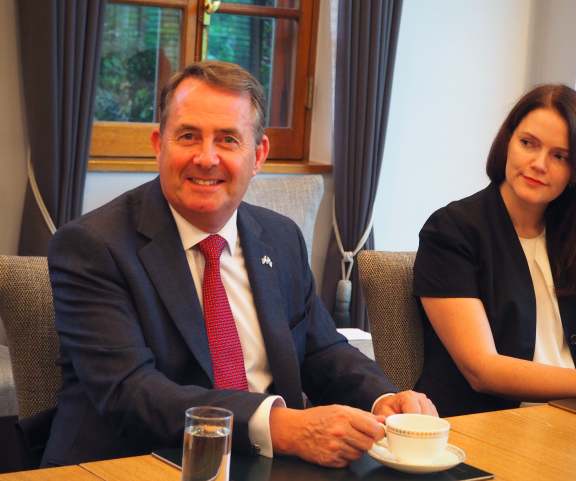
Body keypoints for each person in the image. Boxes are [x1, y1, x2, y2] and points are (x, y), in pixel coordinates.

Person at [42, 60, 436, 468]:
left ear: (258, 154)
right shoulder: (93, 245)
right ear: (160, 144)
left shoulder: (280, 237)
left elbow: (322, 350)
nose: (206, 158)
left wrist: (384, 398)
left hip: (267, 463)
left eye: (228, 139)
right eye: (189, 136)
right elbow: (130, 392)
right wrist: (283, 426)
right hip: (134, 463)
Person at [412, 84, 576, 418]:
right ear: (507, 142)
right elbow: (483, 370)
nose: (539, 164)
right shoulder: (452, 229)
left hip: (574, 422)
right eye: (528, 143)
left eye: (560, 156)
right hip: (481, 426)